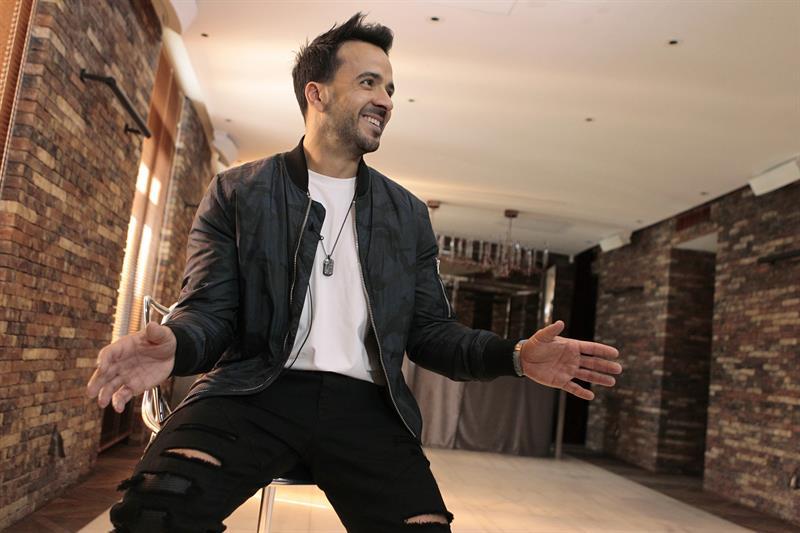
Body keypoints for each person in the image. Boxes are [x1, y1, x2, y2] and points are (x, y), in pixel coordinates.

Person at [87, 13, 622, 533]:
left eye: (389, 88)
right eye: (369, 82)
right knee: (155, 514)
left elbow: (431, 333)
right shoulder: (238, 192)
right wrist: (178, 343)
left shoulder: (406, 214)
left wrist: (515, 356)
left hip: (367, 406)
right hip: (252, 391)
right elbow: (210, 311)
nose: (386, 100)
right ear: (316, 93)